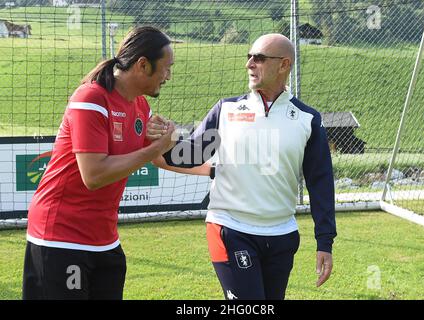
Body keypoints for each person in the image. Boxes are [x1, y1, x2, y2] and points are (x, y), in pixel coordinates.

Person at [151, 33, 337, 300]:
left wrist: (325, 241)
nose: (249, 64)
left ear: (284, 64)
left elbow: (321, 183)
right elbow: (190, 155)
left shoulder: (308, 119)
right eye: (249, 57)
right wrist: (166, 142)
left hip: (282, 236)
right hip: (230, 229)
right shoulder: (225, 110)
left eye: (259, 58)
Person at [22, 26, 177, 300]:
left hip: (104, 240)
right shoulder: (91, 98)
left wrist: (217, 165)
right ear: (143, 65)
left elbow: (159, 156)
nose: (169, 76)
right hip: (60, 238)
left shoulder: (140, 106)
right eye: (166, 68)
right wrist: (156, 146)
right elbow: (93, 175)